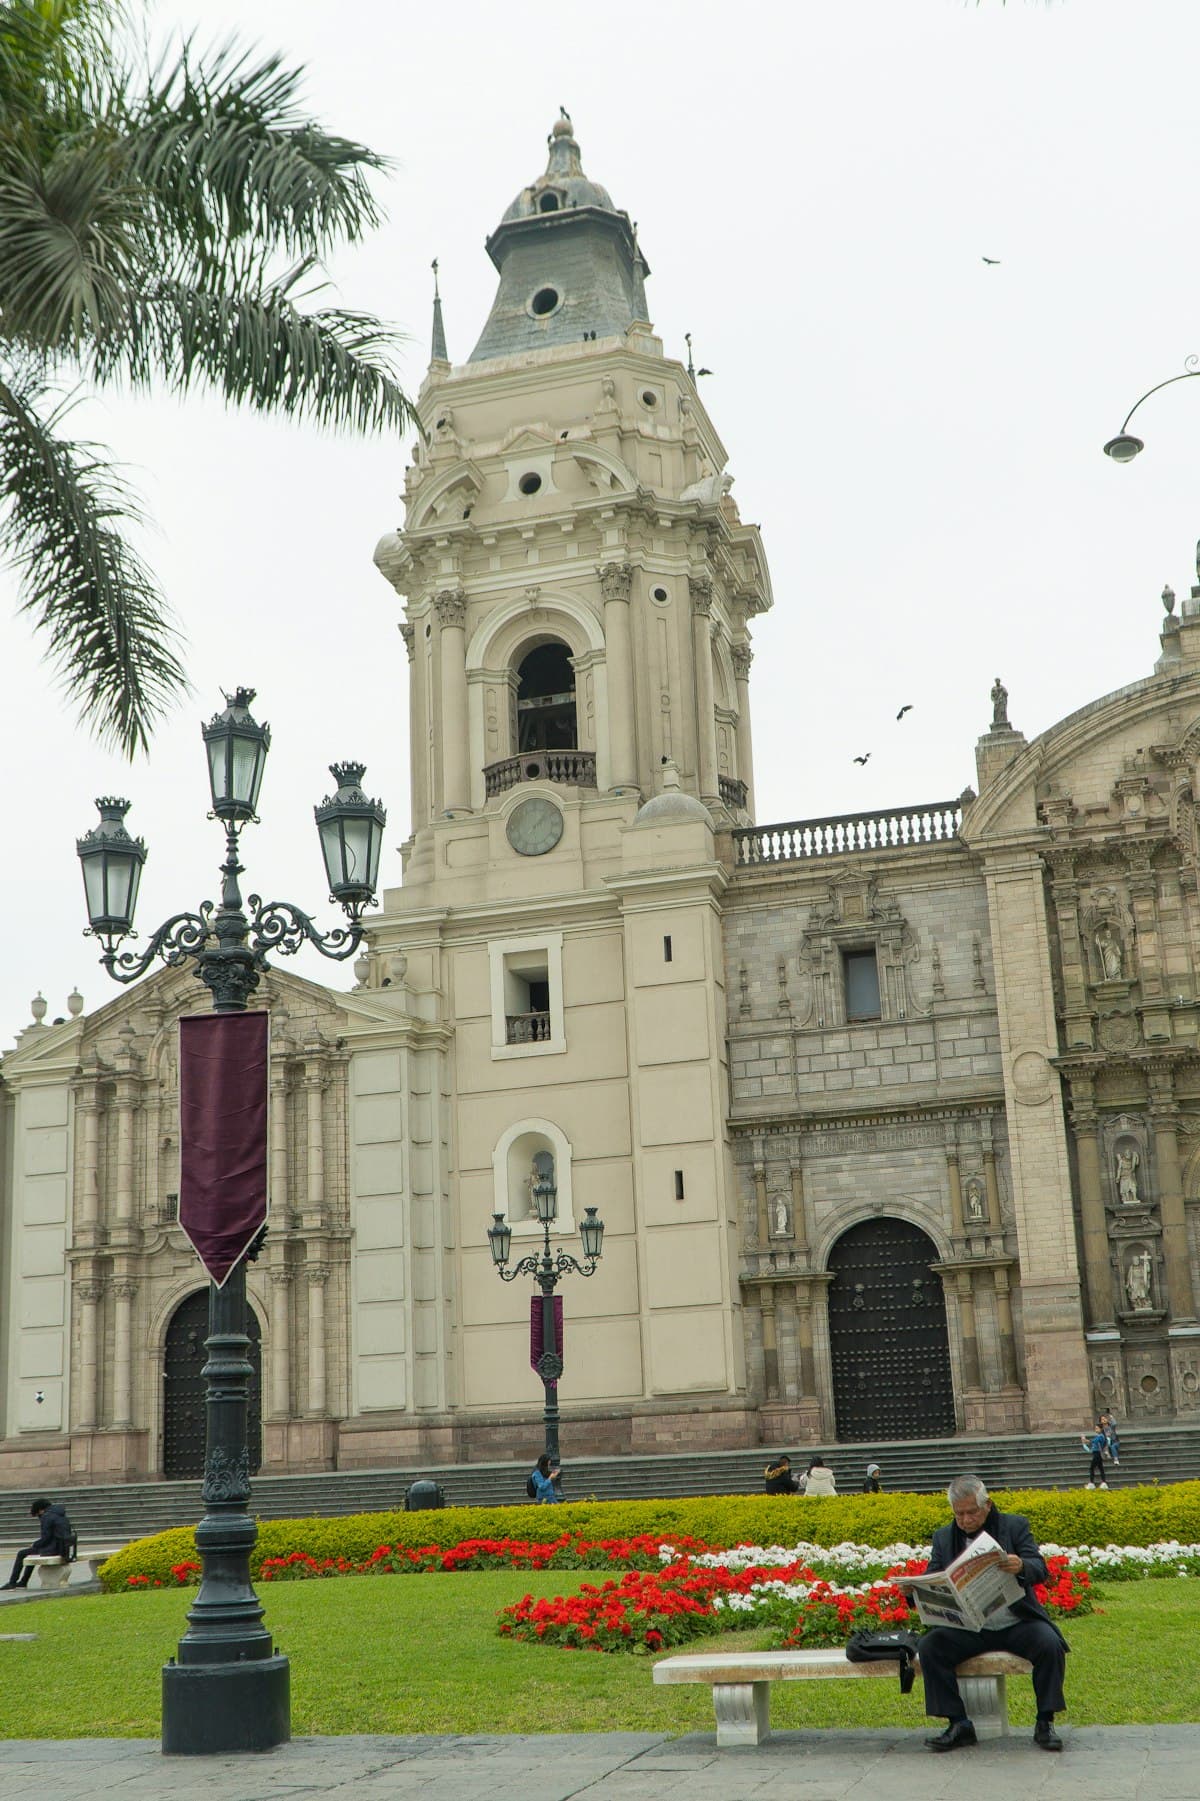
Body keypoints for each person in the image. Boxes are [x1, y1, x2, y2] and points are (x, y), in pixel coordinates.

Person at [914, 1474, 1067, 1753]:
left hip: (1015, 1621)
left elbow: (1039, 1568)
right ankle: (958, 1723)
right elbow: (933, 1576)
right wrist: (916, 1592)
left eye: (971, 1512)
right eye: (959, 1514)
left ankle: (1045, 1721)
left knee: (1049, 1643)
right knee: (931, 1646)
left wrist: (1021, 1566)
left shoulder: (1014, 1526)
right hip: (971, 1628)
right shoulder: (944, 1537)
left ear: (987, 1505)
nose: (965, 1520)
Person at [2, 1497, 72, 1590]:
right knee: (31, 1553)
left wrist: (35, 1544)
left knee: (22, 1553)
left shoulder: (47, 1517)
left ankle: (13, 1582)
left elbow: (46, 1538)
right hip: (63, 1548)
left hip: (53, 1549)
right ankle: (23, 1581)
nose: (38, 1516)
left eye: (37, 1514)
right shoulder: (60, 1514)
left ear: (40, 1510)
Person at [1081, 1424, 1109, 1489]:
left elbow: (1092, 1441)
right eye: (1095, 1428)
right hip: (1097, 1453)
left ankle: (1091, 1483)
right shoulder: (1100, 1436)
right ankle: (1103, 1483)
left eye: (1097, 1428)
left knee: (1092, 1468)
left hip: (1097, 1454)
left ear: (1101, 1429)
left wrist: (1084, 1439)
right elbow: (1091, 1442)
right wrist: (1085, 1440)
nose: (1095, 1429)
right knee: (1100, 1468)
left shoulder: (1100, 1436)